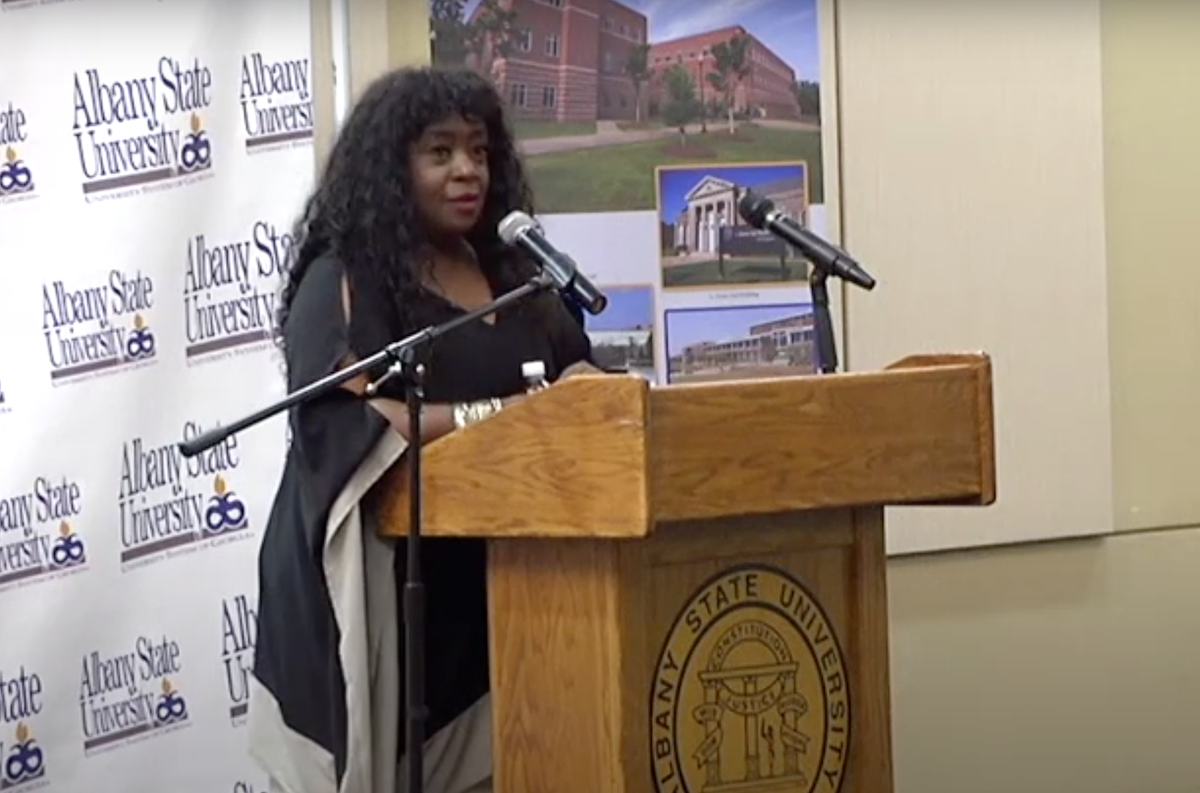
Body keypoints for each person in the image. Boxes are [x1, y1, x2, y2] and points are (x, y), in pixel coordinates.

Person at [248, 66, 597, 793]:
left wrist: (594, 395)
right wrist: (507, 417)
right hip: (395, 591)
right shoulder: (344, 278)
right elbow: (357, 422)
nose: (467, 170)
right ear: (392, 166)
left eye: (478, 150)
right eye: (440, 153)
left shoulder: (517, 272)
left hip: (507, 579)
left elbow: (578, 384)